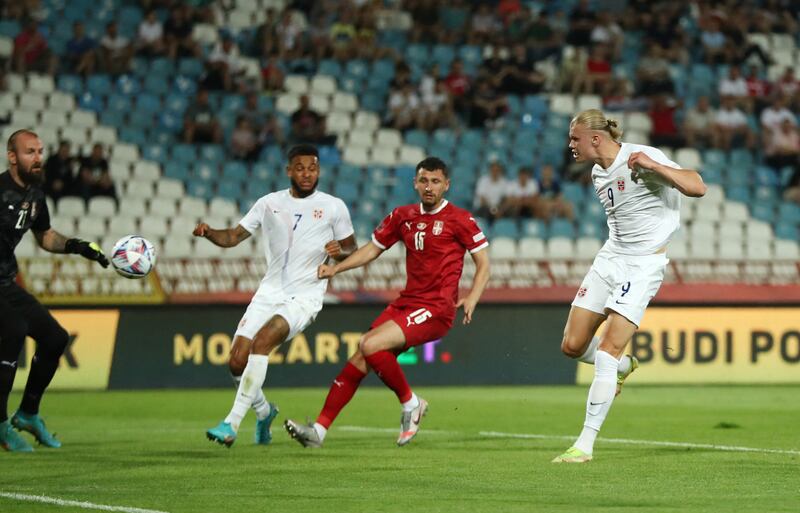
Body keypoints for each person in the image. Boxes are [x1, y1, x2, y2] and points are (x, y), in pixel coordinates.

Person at [284, 157, 491, 448]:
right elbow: (372, 250)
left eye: (435, 181)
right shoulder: (402, 216)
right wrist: (335, 268)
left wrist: (473, 296)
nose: (428, 187)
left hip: (436, 308)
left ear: (447, 185)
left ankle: (411, 403)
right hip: (407, 303)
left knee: (369, 345)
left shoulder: (460, 219)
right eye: (423, 180)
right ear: (415, 183)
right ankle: (318, 431)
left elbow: (483, 262)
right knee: (361, 354)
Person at [552, 110, 706, 463]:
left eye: (575, 138)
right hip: (610, 258)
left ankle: (584, 445)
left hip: (643, 264)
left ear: (595, 138)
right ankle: (625, 367)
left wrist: (656, 167)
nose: (570, 145)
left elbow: (697, 186)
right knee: (572, 346)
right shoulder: (596, 172)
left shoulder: (642, 155)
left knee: (607, 351)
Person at [197, 144, 356, 448]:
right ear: (288, 171)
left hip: (305, 296)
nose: (307, 173)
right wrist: (209, 232)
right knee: (235, 361)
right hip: (269, 291)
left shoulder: (334, 206)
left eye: (313, 168)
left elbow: (352, 249)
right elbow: (233, 236)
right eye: (300, 167)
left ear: (319, 170)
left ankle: (231, 424)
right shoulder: (268, 203)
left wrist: (339, 253)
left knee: (262, 342)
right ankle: (264, 411)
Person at [0, 129, 109, 452]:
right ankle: (0, 425)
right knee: (15, 328)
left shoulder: (35, 193)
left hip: (6, 282)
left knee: (55, 338)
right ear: (12, 157)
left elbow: (45, 235)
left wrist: (77, 246)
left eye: (40, 151)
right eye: (30, 152)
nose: (38, 157)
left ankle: (28, 414)